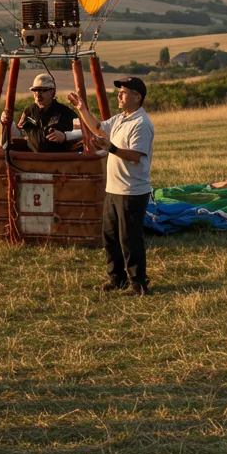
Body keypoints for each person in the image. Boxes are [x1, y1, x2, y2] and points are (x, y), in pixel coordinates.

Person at [68, 76, 155, 296]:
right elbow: (98, 128)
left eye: (124, 92)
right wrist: (82, 109)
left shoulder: (141, 124)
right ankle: (117, 278)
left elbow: (134, 156)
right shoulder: (121, 119)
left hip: (132, 191)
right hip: (114, 189)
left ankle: (138, 284)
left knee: (129, 239)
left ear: (137, 96)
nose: (119, 95)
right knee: (110, 236)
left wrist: (111, 148)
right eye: (119, 91)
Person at [1, 72, 81, 152]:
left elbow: (83, 132)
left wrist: (64, 136)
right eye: (35, 90)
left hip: (58, 160)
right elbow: (21, 133)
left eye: (43, 90)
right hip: (33, 160)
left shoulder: (65, 112)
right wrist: (7, 123)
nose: (38, 94)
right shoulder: (29, 111)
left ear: (52, 92)